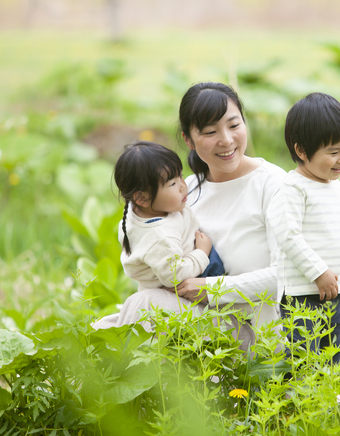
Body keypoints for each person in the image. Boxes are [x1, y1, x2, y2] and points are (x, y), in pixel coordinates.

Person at [95, 82, 286, 343]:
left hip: (255, 333)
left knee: (143, 307)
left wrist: (212, 290)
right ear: (188, 140)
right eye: (210, 131)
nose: (227, 140)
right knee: (98, 330)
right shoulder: (187, 191)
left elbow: (286, 273)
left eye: (234, 125)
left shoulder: (273, 184)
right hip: (200, 319)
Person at [269, 92, 340, 364]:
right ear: (301, 151)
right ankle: (297, 403)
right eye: (333, 152)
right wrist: (318, 272)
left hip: (336, 291)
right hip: (302, 293)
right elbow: (288, 235)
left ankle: (325, 400)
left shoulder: (338, 189)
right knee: (303, 355)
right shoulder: (293, 189)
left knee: (332, 352)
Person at [93, 141, 226, 329]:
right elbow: (176, 276)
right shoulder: (159, 237)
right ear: (142, 198)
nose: (182, 185)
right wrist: (202, 253)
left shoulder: (144, 210)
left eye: (180, 176)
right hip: (178, 290)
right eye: (172, 183)